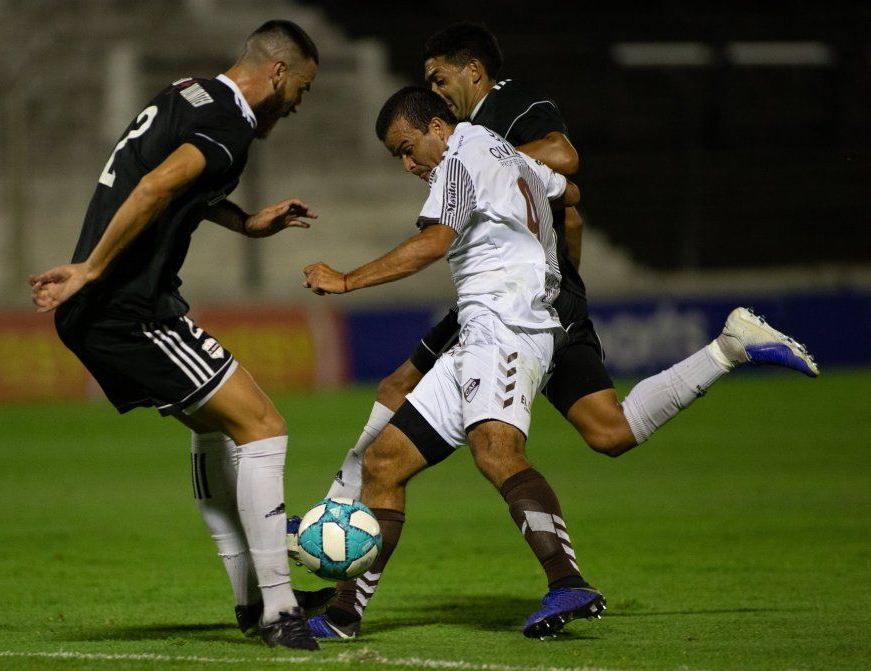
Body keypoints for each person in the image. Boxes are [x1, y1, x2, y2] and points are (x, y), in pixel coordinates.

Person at [317, 22, 819, 515]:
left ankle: (335, 512)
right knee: (610, 432)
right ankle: (729, 348)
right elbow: (570, 205)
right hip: (534, 289)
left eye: (439, 79)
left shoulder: (504, 109)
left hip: (521, 297)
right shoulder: (469, 139)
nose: (434, 92)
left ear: (474, 71)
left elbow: (565, 157)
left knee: (406, 388)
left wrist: (491, 163)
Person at [29, 20, 326, 651]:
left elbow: (179, 184)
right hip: (128, 310)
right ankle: (280, 611)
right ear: (277, 73)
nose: (299, 103)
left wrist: (245, 222)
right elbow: (157, 184)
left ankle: (255, 602)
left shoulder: (190, 94)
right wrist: (91, 269)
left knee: (219, 428)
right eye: (302, 86)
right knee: (264, 427)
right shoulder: (230, 124)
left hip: (114, 309)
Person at [302, 86, 602, 639]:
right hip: (480, 330)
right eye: (398, 155)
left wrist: (345, 279)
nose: (408, 163)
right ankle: (343, 615)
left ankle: (567, 581)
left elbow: (433, 244)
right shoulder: (503, 151)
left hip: (507, 327)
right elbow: (571, 191)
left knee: (496, 451)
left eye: (408, 147)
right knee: (384, 463)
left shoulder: (461, 154)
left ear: (439, 127)